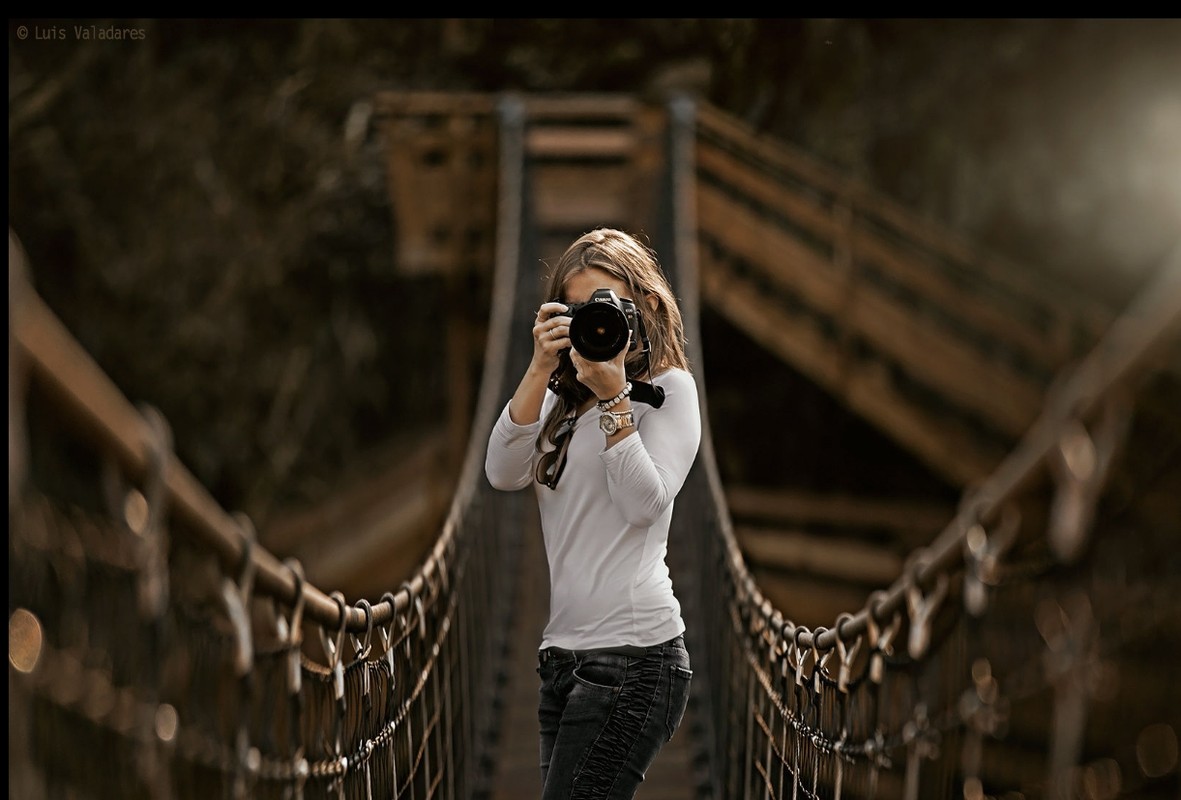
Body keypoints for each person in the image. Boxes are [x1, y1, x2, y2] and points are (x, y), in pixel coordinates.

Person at [485, 227, 702, 799]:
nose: (592, 322)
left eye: (604, 305)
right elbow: (501, 473)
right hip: (561, 659)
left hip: (637, 658)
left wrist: (615, 401)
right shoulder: (560, 397)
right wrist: (538, 370)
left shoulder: (669, 390)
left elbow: (643, 504)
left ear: (646, 305)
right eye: (576, 309)